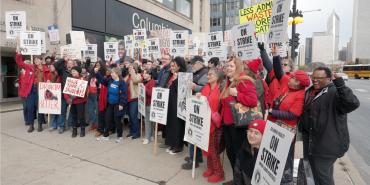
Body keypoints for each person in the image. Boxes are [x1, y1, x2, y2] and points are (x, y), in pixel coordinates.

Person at [300, 67, 360, 185]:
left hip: (327, 144)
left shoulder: (335, 92)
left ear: (329, 79)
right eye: (313, 77)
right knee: (317, 173)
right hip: (312, 142)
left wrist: (340, 85)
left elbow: (352, 103)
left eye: (320, 78)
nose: (315, 80)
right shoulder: (310, 91)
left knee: (323, 177)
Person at [220, 57, 258, 183]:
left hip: (239, 126)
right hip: (228, 124)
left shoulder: (244, 81)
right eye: (227, 66)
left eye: (231, 66)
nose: (227, 68)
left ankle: (242, 181)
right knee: (231, 154)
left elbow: (253, 101)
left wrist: (237, 94)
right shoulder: (229, 81)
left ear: (238, 67)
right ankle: (237, 179)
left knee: (239, 156)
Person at [197, 68, 225, 183]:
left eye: (211, 74)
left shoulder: (221, 89)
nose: (208, 76)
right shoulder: (206, 87)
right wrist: (199, 96)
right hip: (204, 122)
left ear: (217, 77)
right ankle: (210, 168)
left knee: (213, 149)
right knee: (206, 147)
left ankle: (219, 172)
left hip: (215, 123)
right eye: (208, 74)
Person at [15, 42, 50, 133]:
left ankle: (40, 125)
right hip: (31, 90)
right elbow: (19, 62)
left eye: (37, 60)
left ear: (41, 60)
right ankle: (31, 125)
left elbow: (52, 77)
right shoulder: (30, 67)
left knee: (40, 107)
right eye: (35, 60)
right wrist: (19, 53)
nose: (36, 61)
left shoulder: (46, 69)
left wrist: (49, 81)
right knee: (30, 107)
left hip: (42, 89)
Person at [182, 56, 209, 169]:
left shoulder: (205, 73)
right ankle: (195, 157)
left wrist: (195, 87)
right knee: (192, 131)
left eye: (193, 64)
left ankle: (194, 161)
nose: (192, 66)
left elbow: (208, 89)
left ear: (199, 63)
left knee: (193, 132)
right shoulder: (198, 72)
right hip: (194, 105)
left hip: (199, 107)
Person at [95, 67, 128, 143]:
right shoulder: (110, 80)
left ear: (117, 74)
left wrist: (121, 104)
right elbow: (102, 81)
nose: (111, 74)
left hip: (118, 104)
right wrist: (97, 73)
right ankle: (105, 136)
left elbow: (124, 94)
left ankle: (120, 137)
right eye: (111, 73)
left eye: (113, 73)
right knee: (107, 119)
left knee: (117, 121)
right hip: (110, 103)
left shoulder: (122, 82)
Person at [165, 56, 187, 154]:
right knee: (171, 125)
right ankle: (172, 144)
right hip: (170, 104)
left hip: (178, 106)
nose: (172, 67)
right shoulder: (172, 75)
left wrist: (177, 79)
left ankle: (178, 146)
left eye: (174, 66)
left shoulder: (183, 76)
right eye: (171, 66)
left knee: (177, 126)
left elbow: (182, 91)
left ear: (179, 66)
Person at [233, 119, 267, 185]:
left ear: (264, 136)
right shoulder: (243, 150)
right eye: (250, 131)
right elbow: (237, 176)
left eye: (256, 133)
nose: (251, 135)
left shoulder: (267, 155)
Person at [64, 66, 88, 138]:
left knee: (81, 116)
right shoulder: (69, 80)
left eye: (75, 71)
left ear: (78, 72)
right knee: (73, 116)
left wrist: (76, 96)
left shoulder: (83, 79)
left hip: (80, 101)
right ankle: (74, 130)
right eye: (72, 71)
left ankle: (82, 129)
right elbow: (66, 91)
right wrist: (68, 98)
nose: (73, 72)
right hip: (72, 101)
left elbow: (84, 91)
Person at [124, 62, 142, 139]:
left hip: (134, 98)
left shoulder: (138, 75)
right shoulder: (128, 76)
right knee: (130, 117)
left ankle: (137, 132)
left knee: (133, 116)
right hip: (127, 99)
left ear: (135, 68)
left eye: (131, 68)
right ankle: (131, 131)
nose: (129, 69)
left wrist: (133, 73)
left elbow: (135, 81)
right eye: (129, 68)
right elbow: (123, 83)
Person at [142, 69, 156, 144]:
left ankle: (147, 138)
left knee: (148, 121)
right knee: (149, 121)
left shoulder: (152, 82)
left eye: (145, 73)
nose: (144, 75)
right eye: (143, 73)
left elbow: (151, 93)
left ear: (150, 75)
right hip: (146, 103)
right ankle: (151, 136)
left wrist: (144, 88)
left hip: (149, 104)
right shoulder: (144, 82)